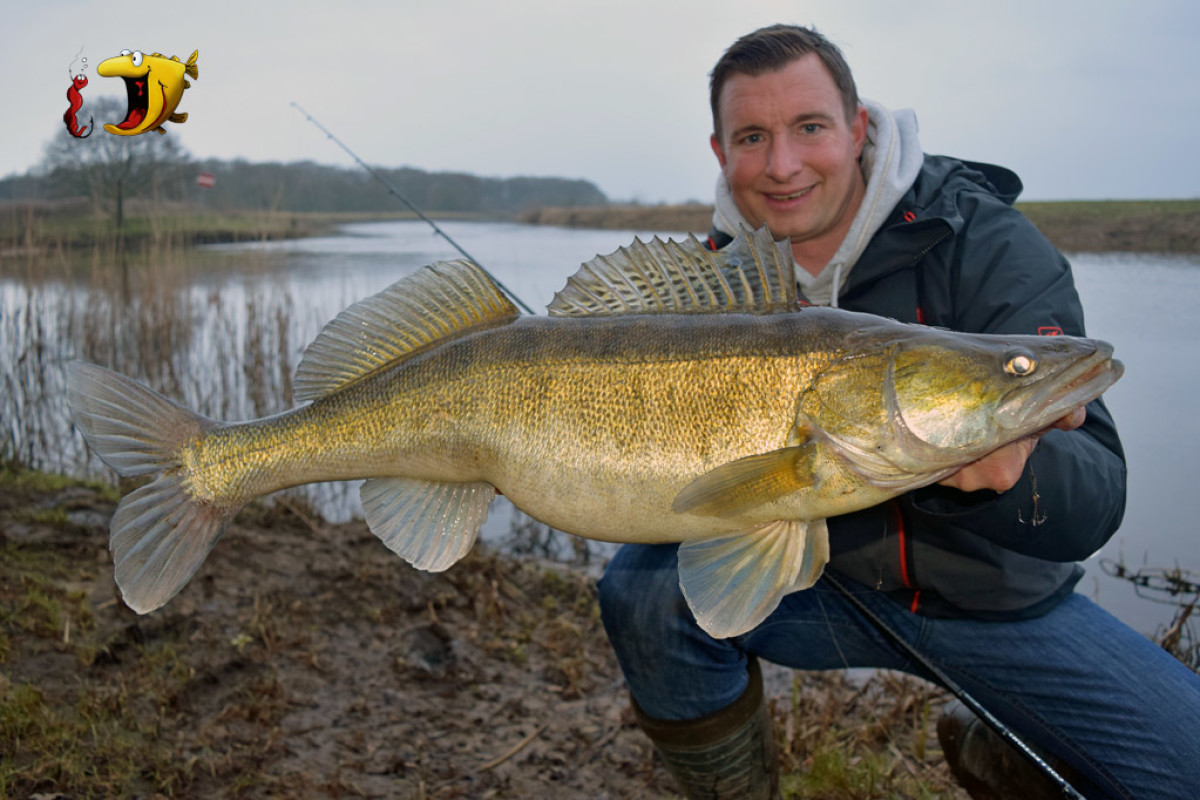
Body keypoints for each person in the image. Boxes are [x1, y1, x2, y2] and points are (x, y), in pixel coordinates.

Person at [597, 23, 1200, 800]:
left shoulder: (986, 243)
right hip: (813, 587)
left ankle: (1001, 746)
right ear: (720, 152)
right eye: (753, 136)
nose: (782, 166)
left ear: (857, 129)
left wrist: (1013, 478)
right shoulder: (706, 287)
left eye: (809, 127)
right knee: (643, 591)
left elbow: (1096, 493)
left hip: (989, 600)